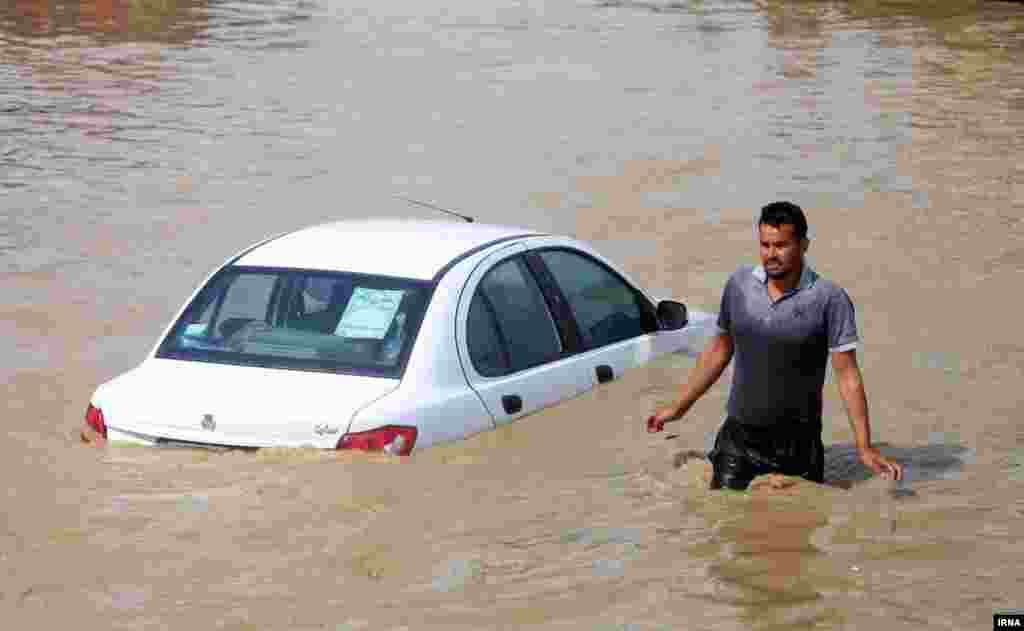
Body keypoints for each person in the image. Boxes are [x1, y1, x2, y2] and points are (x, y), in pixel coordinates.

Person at [647, 201, 903, 489]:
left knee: (797, 528)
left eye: (781, 245)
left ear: (804, 245)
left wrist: (864, 447)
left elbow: (847, 375)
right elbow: (719, 351)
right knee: (722, 520)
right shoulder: (739, 286)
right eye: (765, 245)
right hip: (739, 439)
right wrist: (679, 408)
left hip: (798, 446)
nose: (771, 254)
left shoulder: (829, 299)